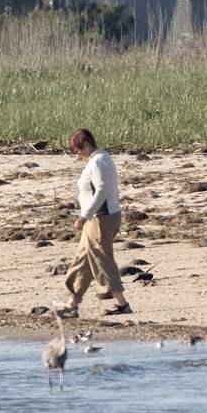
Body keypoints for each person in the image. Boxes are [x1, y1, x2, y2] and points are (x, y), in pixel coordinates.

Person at [58, 128, 130, 317]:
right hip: (98, 218)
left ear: (87, 145)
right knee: (83, 260)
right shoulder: (98, 160)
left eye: (77, 150)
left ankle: (122, 303)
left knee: (102, 260)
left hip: (101, 218)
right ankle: (72, 304)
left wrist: (85, 215)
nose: (77, 155)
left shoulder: (99, 161)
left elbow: (102, 190)